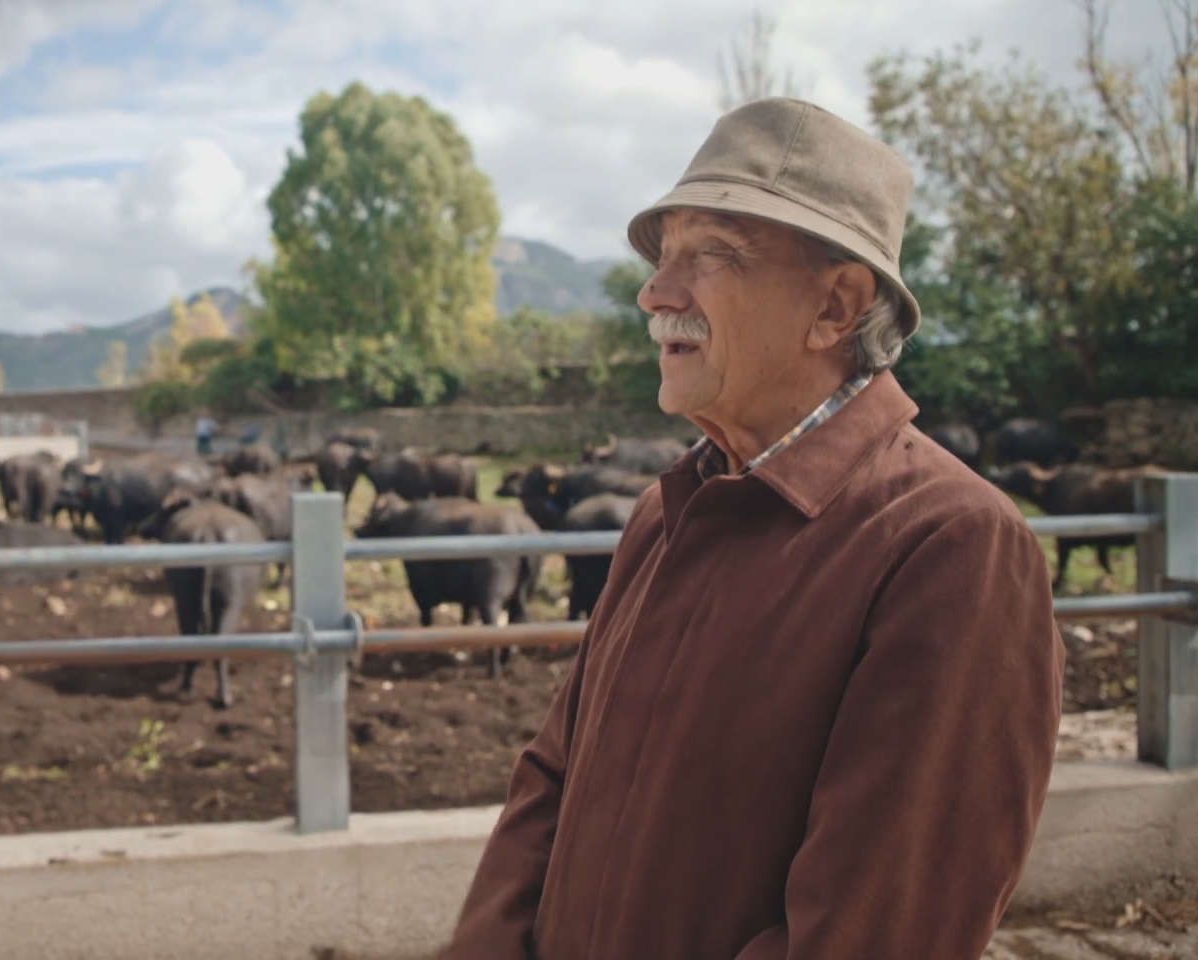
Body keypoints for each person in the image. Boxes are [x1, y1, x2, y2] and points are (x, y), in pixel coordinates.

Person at [442, 98, 1064, 959]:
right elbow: (553, 777)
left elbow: (873, 932)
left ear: (836, 308)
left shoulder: (950, 548)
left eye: (711, 257)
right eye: (664, 257)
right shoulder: (671, 510)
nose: (655, 293)